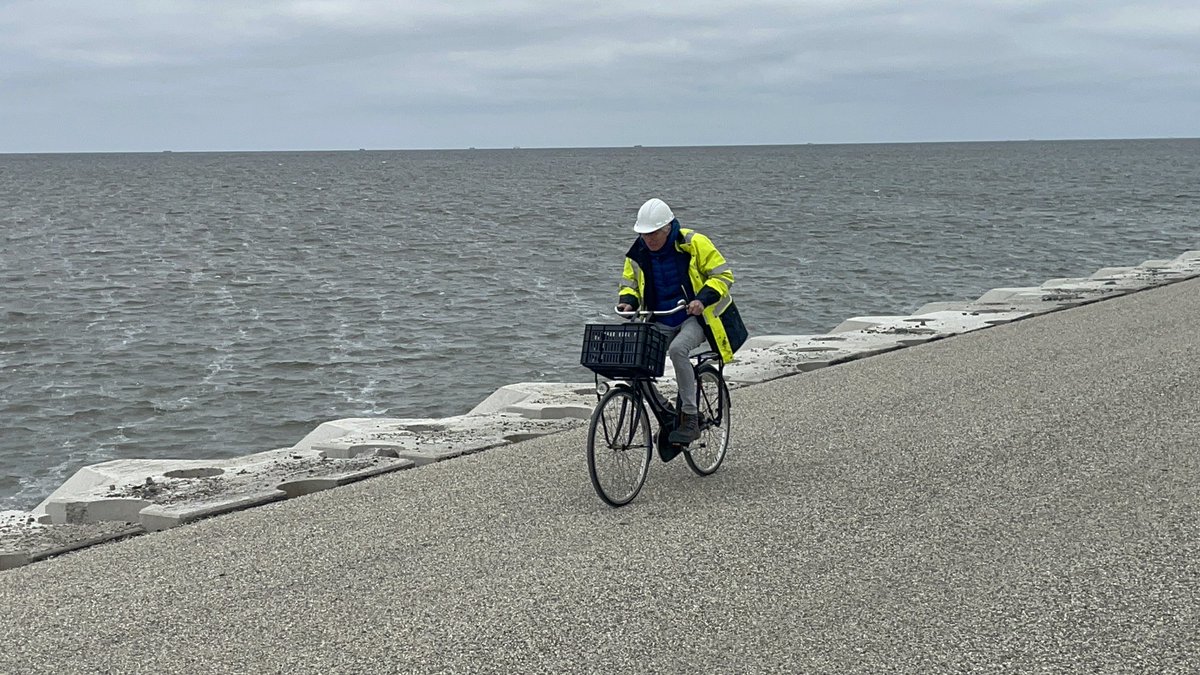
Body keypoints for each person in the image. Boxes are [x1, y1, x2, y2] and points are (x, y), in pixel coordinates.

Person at [616, 197, 748, 444]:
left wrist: (702, 299)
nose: (648, 240)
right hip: (661, 319)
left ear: (667, 229)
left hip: (695, 318)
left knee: (678, 350)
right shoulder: (638, 252)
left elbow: (723, 276)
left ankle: (690, 418)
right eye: (644, 235)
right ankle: (667, 412)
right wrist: (628, 301)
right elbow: (630, 283)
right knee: (636, 364)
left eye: (653, 234)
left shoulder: (694, 243)